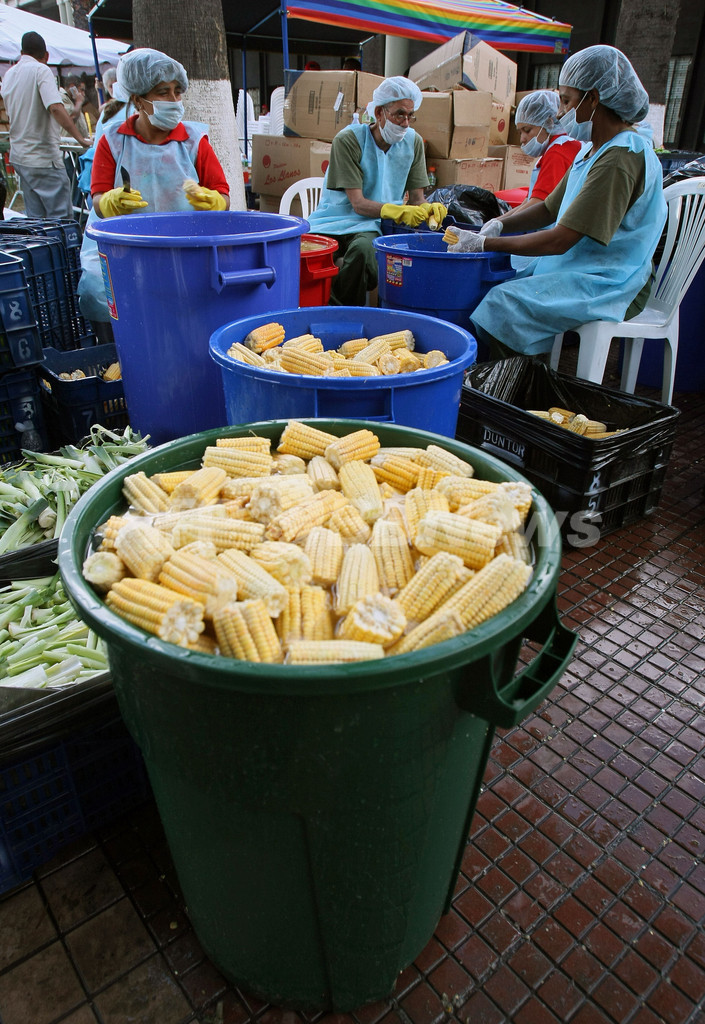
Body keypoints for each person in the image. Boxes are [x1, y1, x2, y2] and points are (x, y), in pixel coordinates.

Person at [456, 45, 667, 360]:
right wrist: (499, 224)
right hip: (580, 268)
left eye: (567, 101)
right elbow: (548, 209)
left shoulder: (621, 157)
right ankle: (515, 373)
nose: (559, 113)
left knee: (502, 304)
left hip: (611, 280)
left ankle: (522, 388)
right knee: (487, 288)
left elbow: (561, 239)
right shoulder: (590, 150)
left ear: (593, 99)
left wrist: (488, 245)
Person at [77, 46, 230, 325]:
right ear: (137, 100)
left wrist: (216, 202)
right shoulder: (112, 141)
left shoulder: (195, 141)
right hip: (125, 248)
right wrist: (110, 202)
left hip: (184, 249)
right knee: (98, 292)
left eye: (177, 91)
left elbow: (223, 194)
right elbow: (97, 198)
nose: (174, 100)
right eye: (163, 92)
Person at [306, 76, 446, 305]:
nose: (405, 123)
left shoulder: (413, 143)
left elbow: (418, 198)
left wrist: (428, 208)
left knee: (364, 253)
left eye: (411, 115)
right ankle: (323, 309)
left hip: (371, 225)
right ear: (379, 113)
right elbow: (358, 204)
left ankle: (343, 313)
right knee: (307, 256)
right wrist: (399, 211)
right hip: (332, 219)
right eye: (399, 114)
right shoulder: (349, 140)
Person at [2, 31, 90, 220]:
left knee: (37, 221)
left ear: (21, 52)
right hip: (43, 156)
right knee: (61, 221)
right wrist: (80, 138)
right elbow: (55, 108)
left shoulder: (9, 75)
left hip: (20, 156)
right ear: (46, 56)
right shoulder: (41, 70)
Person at [508, 89, 582, 272]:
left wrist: (498, 227)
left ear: (549, 122)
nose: (523, 139)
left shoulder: (557, 153)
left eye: (527, 130)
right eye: (520, 132)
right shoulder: (561, 148)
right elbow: (531, 200)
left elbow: (539, 203)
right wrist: (496, 223)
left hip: (553, 244)